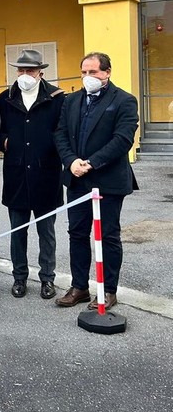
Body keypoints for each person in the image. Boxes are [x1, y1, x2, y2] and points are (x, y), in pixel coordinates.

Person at [53, 52, 138, 311]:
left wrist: (91, 163)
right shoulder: (72, 100)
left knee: (109, 236)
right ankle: (79, 286)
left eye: (94, 72)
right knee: (77, 233)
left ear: (107, 73)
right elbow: (61, 133)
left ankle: (109, 291)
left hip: (108, 180)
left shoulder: (124, 100)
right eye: (84, 73)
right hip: (77, 179)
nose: (88, 77)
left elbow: (123, 139)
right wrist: (71, 161)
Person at [0, 50, 65, 300]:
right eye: (21, 71)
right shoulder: (5, 98)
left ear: (40, 73)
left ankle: (47, 278)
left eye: (30, 71)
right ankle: (19, 277)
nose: (25, 75)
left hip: (46, 175)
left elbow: (63, 132)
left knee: (47, 232)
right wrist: (3, 142)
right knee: (17, 232)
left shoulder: (57, 98)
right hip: (16, 175)